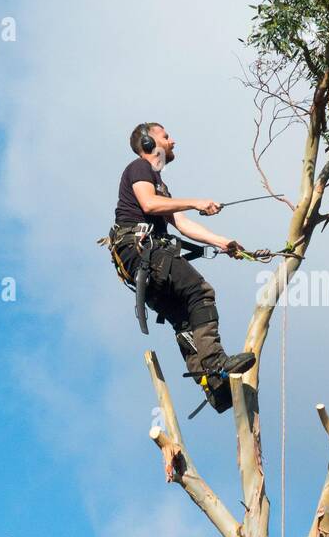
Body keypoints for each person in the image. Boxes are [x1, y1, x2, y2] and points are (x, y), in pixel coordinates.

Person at [105, 123, 256, 407]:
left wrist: (223, 242)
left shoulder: (160, 184)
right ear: (149, 143)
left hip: (144, 262)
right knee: (200, 292)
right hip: (143, 251)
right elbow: (149, 205)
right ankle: (215, 362)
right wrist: (196, 201)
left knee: (186, 319)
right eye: (166, 136)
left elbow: (182, 224)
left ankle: (213, 386)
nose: (172, 141)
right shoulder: (140, 167)